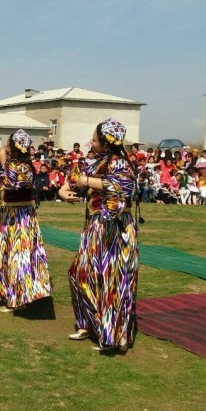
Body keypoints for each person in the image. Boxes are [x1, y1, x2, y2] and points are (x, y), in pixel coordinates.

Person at [58, 118, 139, 353]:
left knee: (113, 280)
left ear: (105, 143)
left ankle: (113, 336)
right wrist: (64, 190)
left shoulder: (122, 163)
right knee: (80, 274)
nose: (90, 142)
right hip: (95, 227)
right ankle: (89, 324)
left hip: (115, 228)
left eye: (94, 139)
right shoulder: (97, 162)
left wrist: (87, 181)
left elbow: (124, 187)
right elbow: (76, 181)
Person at [0, 129, 51, 311]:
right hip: (9, 215)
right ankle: (7, 288)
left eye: (8, 144)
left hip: (20, 218)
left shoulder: (23, 167)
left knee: (18, 256)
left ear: (14, 147)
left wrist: (0, 163)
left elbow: (4, 182)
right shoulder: (14, 164)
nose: (5, 147)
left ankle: (18, 299)